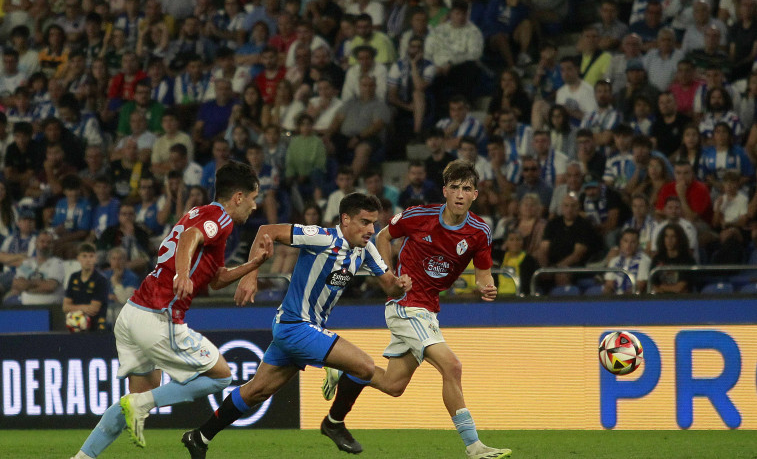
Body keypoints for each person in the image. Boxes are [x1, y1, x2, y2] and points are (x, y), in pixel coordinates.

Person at [181, 192, 413, 457]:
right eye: (364, 222)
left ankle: (200, 436)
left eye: (374, 223)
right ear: (345, 219)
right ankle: (333, 423)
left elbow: (389, 287)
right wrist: (250, 274)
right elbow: (267, 230)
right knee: (364, 367)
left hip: (297, 330)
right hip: (296, 326)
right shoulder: (322, 237)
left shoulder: (366, 249)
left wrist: (400, 285)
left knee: (255, 392)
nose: (371, 229)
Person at [69, 161, 274, 459]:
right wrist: (182, 274)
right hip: (158, 315)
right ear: (238, 197)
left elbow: (216, 279)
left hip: (132, 314)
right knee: (221, 376)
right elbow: (190, 238)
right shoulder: (219, 217)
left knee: (135, 400)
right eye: (253, 199)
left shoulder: (202, 215)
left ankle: (82, 457)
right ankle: (140, 406)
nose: (254, 207)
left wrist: (253, 265)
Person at [311, 161, 510, 459]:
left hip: (428, 309)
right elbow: (382, 236)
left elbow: (483, 273)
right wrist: (389, 277)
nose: (459, 194)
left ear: (475, 195)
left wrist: (487, 286)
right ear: (444, 191)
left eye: (466, 188)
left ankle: (345, 369)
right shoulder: (419, 215)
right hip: (406, 303)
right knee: (452, 366)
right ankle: (474, 446)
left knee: (393, 385)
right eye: (454, 187)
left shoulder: (480, 231)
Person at [3, 230, 65, 306]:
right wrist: (40, 283)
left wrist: (27, 286)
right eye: (42, 241)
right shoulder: (27, 263)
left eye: (49, 242)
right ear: (36, 243)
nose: (45, 245)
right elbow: (17, 284)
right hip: (26, 307)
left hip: (50, 308)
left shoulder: (57, 263)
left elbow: (50, 287)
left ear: (53, 246)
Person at [63, 242, 109, 332]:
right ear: (78, 258)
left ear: (95, 259)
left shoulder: (100, 279)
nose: (88, 260)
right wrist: (84, 307)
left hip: (96, 326)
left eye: (91, 256)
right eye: (84, 256)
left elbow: (94, 309)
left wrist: (74, 308)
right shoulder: (74, 277)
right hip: (76, 324)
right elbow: (65, 307)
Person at [603, 228, 651, 295]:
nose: (628, 245)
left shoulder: (644, 260)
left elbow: (639, 286)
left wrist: (622, 299)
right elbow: (609, 285)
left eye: (633, 242)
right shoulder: (614, 261)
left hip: (633, 300)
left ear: (638, 244)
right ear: (621, 242)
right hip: (615, 299)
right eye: (626, 241)